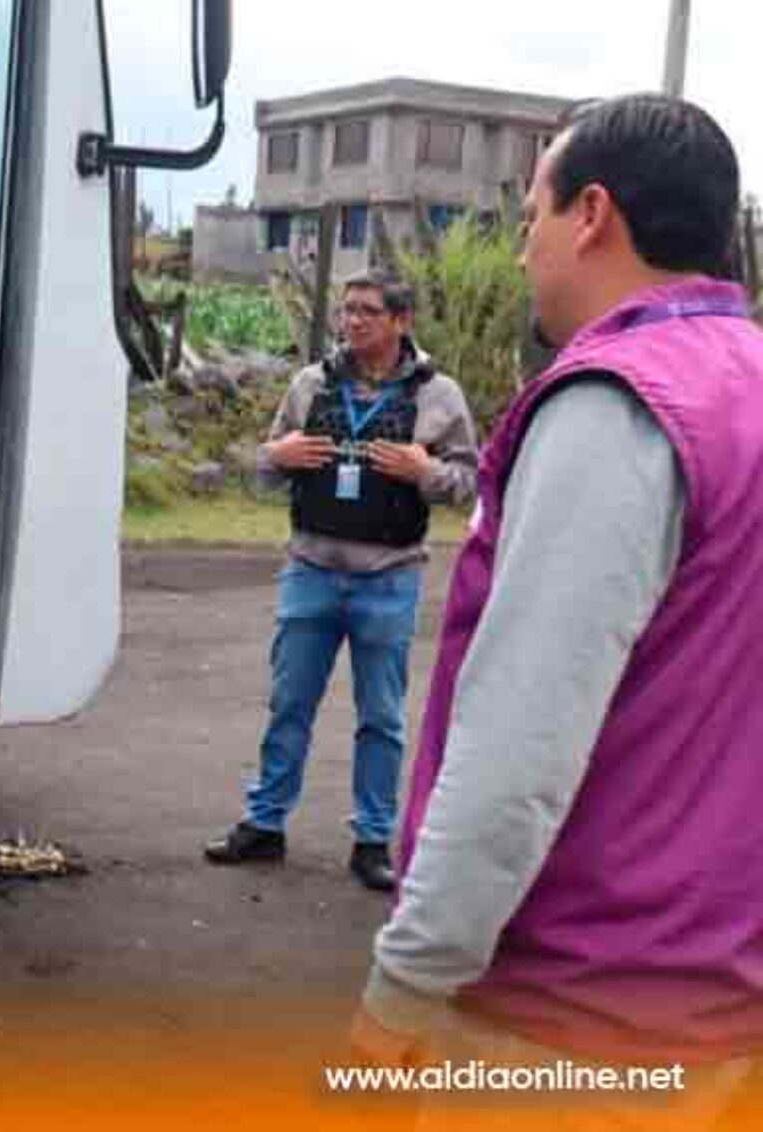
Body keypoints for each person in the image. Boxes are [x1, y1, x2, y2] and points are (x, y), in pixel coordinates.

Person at [351, 94, 763, 1128]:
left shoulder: (616, 404)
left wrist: (401, 990)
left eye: (528, 213)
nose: (524, 246)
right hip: (717, 993)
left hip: (566, 1018)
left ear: (590, 214)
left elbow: (518, 750)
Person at [204, 270, 479, 891]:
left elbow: (470, 481)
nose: (353, 321)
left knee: (381, 716)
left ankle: (372, 840)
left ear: (401, 321)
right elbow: (262, 466)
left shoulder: (441, 397)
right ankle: (264, 824)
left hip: (390, 578)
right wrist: (274, 457)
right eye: (347, 310)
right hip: (311, 572)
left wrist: (426, 469)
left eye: (369, 312)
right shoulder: (310, 385)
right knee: (288, 705)